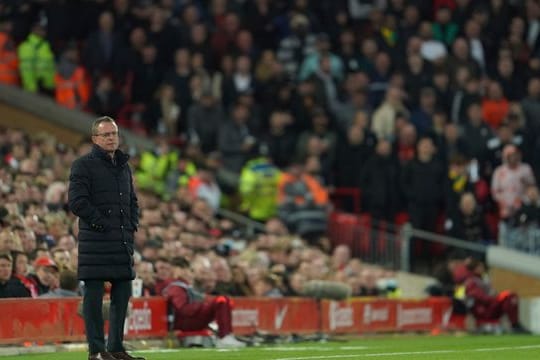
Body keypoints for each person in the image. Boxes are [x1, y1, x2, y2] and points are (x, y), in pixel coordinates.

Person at [68, 117, 144, 360]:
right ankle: (97, 351)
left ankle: (116, 348)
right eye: (106, 134)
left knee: (122, 296)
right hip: (96, 242)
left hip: (122, 241)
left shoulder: (124, 166)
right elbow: (77, 202)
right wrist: (102, 223)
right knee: (93, 298)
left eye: (114, 133)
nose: (111, 138)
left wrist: (132, 225)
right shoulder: (82, 165)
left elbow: (132, 200)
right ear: (95, 139)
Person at [162, 257, 245, 348]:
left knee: (222, 300)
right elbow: (183, 309)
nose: (189, 273)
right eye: (187, 270)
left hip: (188, 319)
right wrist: (202, 305)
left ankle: (225, 336)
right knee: (221, 300)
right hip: (184, 322)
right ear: (178, 270)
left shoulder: (183, 285)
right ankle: (224, 336)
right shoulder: (176, 287)